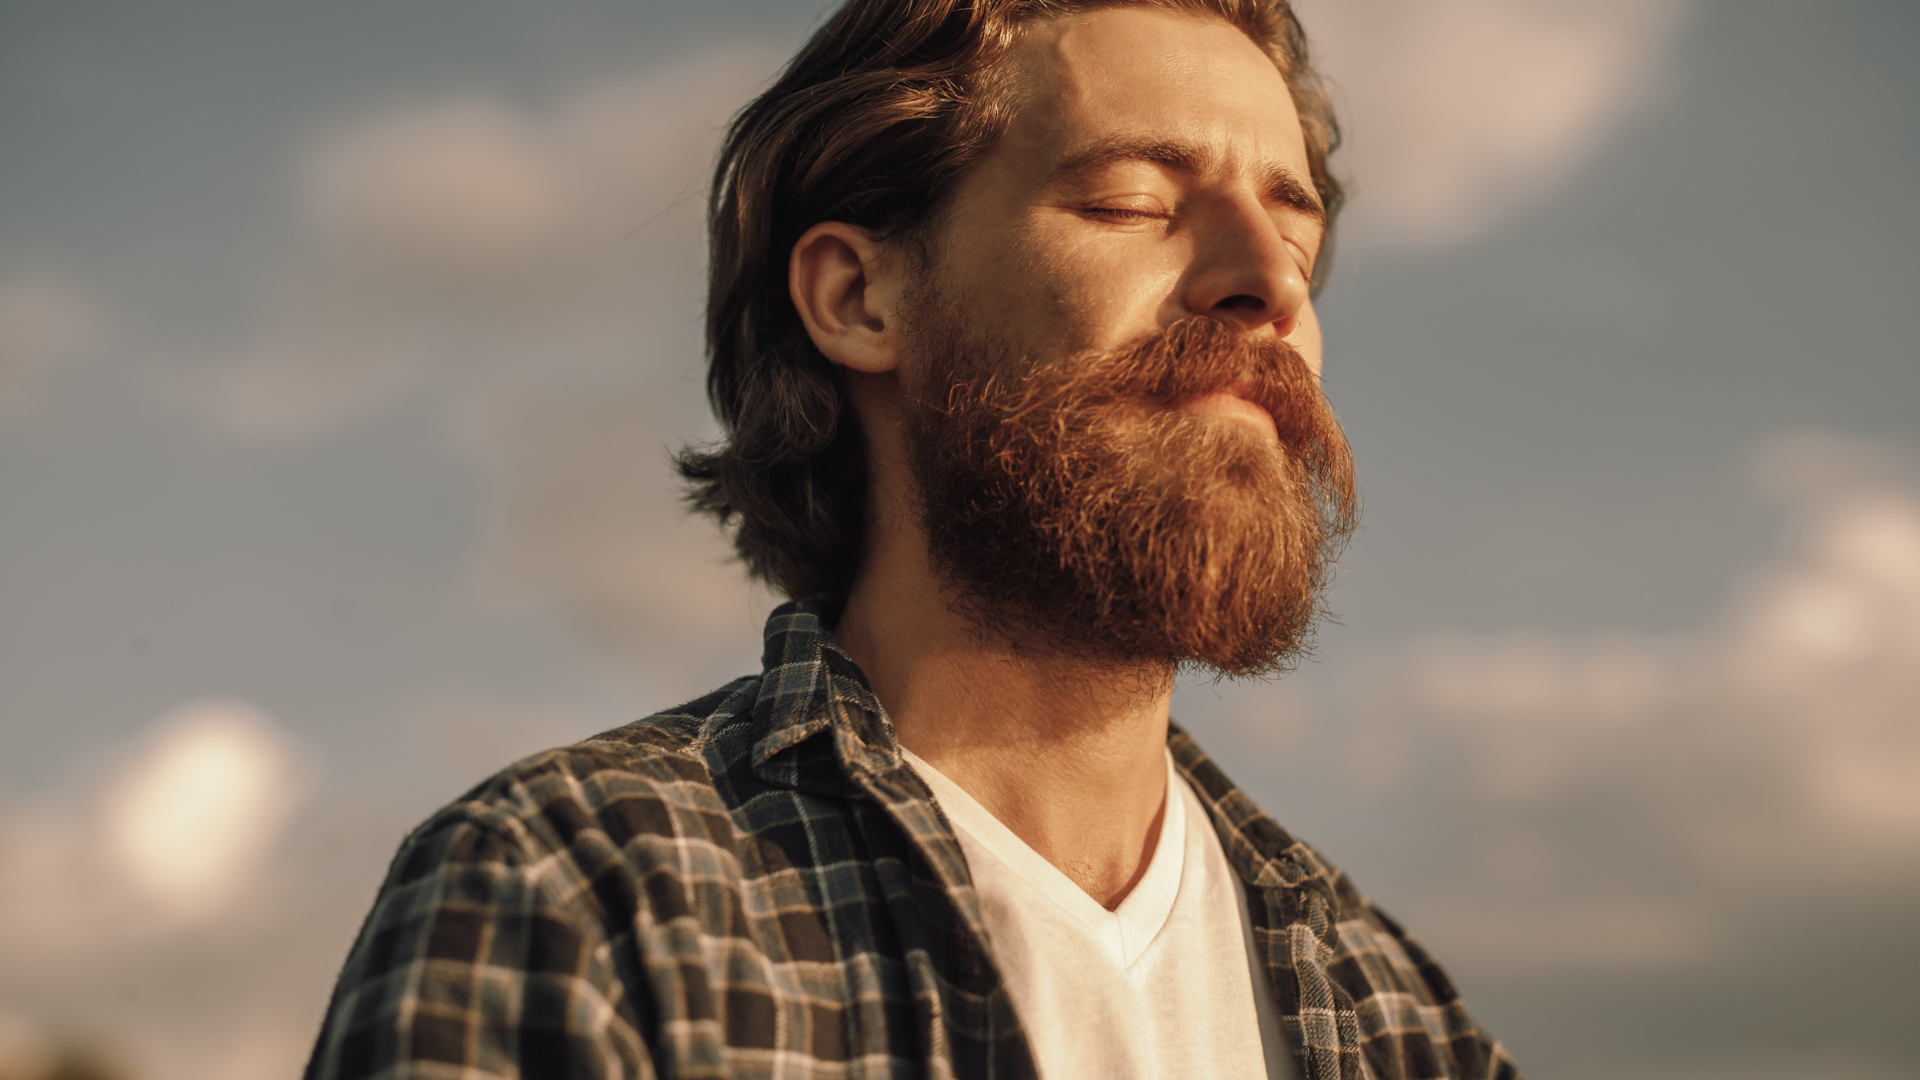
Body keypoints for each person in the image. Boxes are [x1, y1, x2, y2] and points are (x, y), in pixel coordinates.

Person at [304, 0, 1520, 1077]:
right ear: (859, 299)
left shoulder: (1403, 1022)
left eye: (1294, 229)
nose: (1269, 279)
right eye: (1134, 201)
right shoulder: (576, 902)